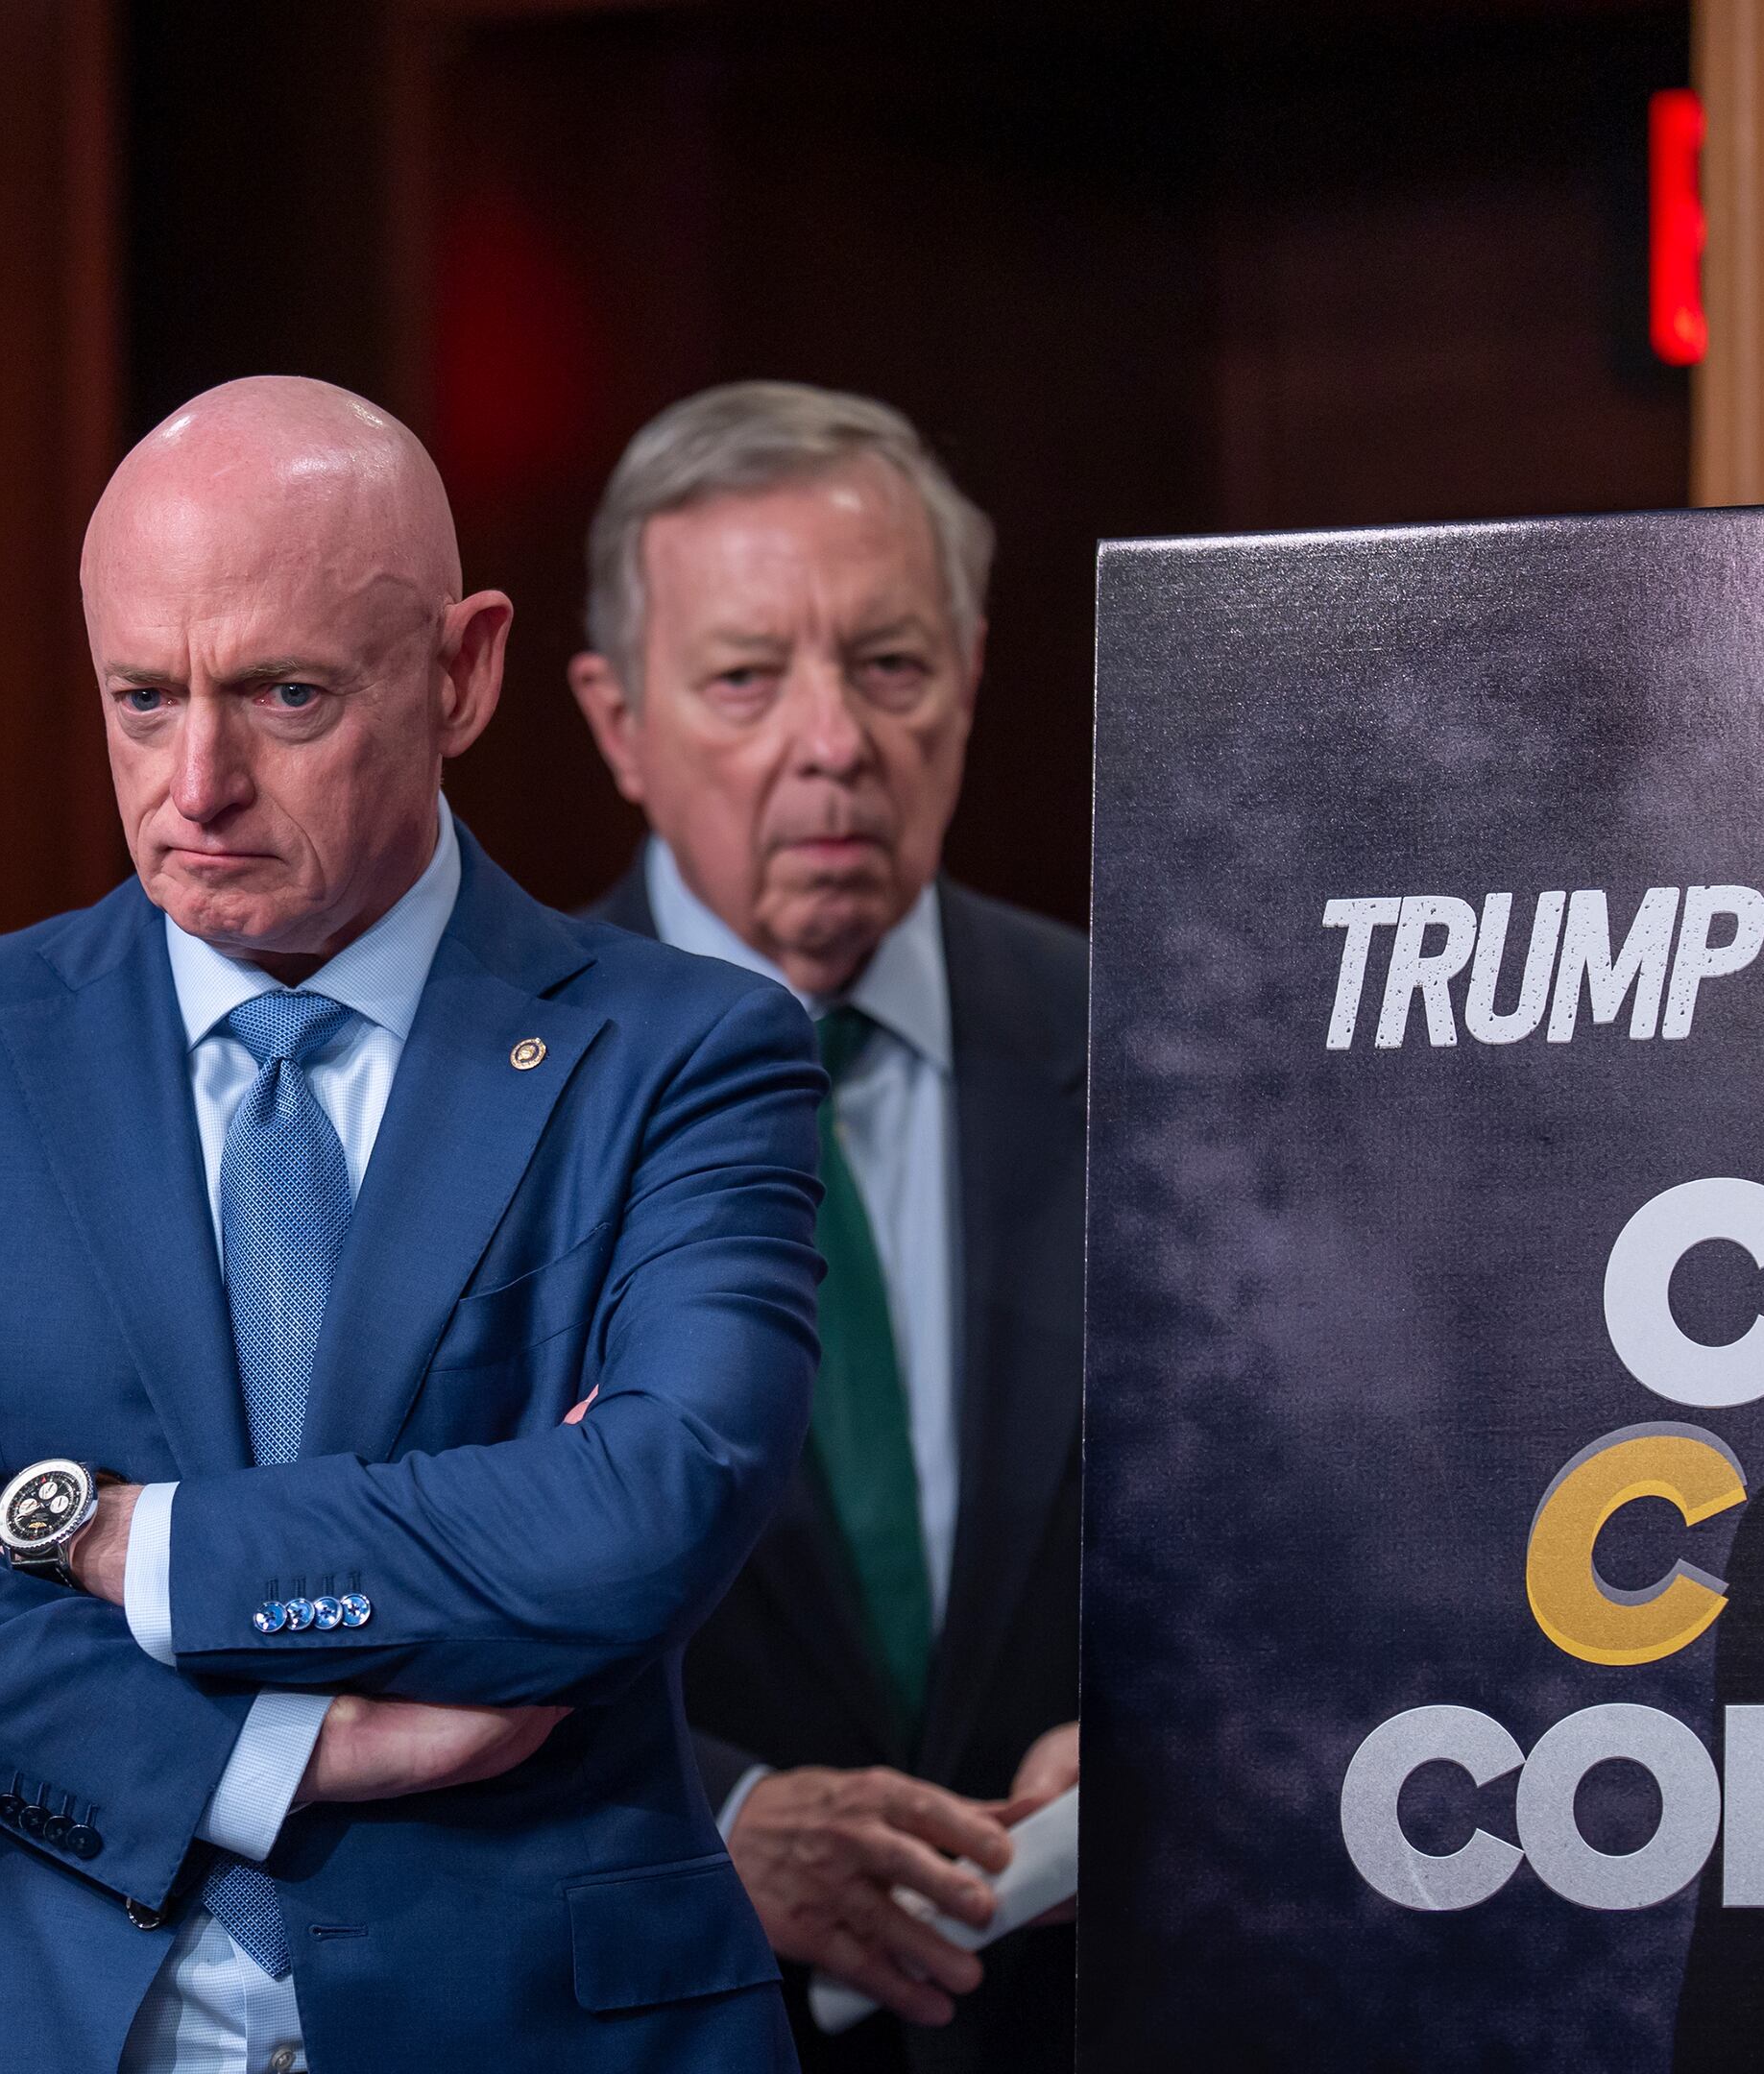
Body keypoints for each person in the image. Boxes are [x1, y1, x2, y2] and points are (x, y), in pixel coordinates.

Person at [0, 374, 821, 2072]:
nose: (196, 782)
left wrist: (109, 1541)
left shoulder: (690, 1050)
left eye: (284, 696)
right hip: (13, 2015)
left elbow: (643, 1516)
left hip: (538, 2023)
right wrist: (274, 1758)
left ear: (464, 672)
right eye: (142, 699)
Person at [567, 381, 1084, 2072]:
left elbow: (1304, 1510)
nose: (834, 742)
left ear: (972, 675)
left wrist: (1177, 1725)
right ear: (618, 721)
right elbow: (374, 1614)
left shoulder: (1154, 1044)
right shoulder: (472, 1099)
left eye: (888, 665)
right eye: (743, 678)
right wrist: (716, 1816)